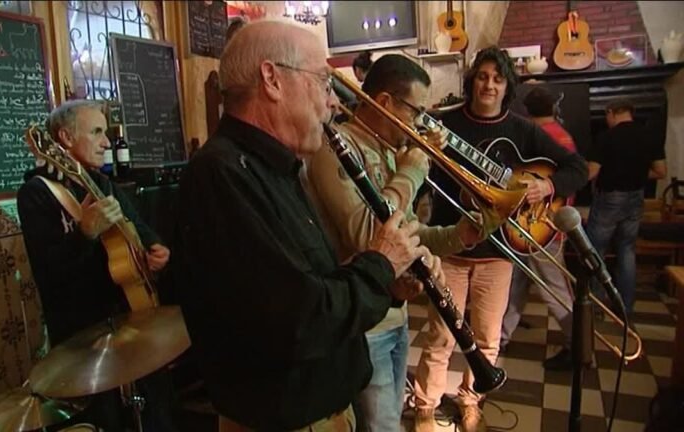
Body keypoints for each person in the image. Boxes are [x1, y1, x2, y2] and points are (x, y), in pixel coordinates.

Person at [173, 20, 444, 432]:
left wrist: (387, 286)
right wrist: (378, 264)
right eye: (322, 82)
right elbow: (298, 323)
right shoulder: (221, 175)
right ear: (272, 79)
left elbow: (311, 286)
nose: (333, 102)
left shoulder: (275, 167)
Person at [304, 54, 498, 432]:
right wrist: (413, 169)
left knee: (390, 419)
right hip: (363, 325)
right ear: (385, 103)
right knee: (381, 427)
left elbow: (408, 234)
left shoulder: (391, 152)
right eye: (417, 111)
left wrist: (463, 233)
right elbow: (367, 235)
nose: (421, 122)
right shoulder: (335, 149)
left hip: (396, 315)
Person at [413, 47, 588, 432]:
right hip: (451, 248)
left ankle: (471, 399)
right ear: (472, 79)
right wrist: (425, 156)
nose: (488, 84)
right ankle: (425, 406)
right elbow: (420, 181)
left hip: (500, 253)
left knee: (488, 339)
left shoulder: (523, 129)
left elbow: (579, 168)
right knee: (441, 336)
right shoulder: (444, 123)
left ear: (507, 85)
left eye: (497, 78)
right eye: (482, 76)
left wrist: (548, 185)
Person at [17, 99, 176, 431]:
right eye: (97, 132)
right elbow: (50, 274)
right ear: (64, 138)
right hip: (83, 340)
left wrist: (155, 248)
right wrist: (84, 233)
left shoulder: (101, 183)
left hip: (130, 322)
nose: (107, 142)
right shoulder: (36, 194)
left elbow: (138, 228)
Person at [500, 86, 581, 371]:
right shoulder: (563, 135)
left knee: (555, 290)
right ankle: (501, 336)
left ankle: (579, 348)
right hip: (539, 224)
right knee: (515, 283)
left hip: (540, 225)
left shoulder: (537, 137)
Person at [586, 97, 667, 315]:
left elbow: (591, 172)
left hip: (609, 199)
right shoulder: (649, 135)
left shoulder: (606, 137)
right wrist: (639, 173)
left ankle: (595, 306)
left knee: (596, 252)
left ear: (611, 112)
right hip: (636, 198)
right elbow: (661, 171)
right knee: (627, 252)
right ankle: (625, 308)